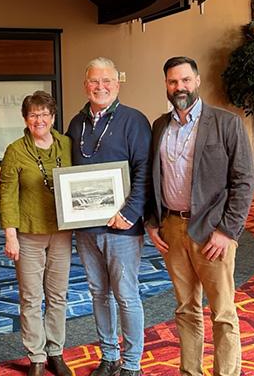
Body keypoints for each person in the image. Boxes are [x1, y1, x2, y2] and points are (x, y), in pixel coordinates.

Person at [145, 56, 254, 376]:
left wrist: (227, 231)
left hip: (212, 231)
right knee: (185, 309)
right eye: (172, 82)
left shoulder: (226, 123)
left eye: (185, 80)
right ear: (166, 85)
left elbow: (244, 181)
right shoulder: (160, 126)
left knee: (222, 312)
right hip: (172, 229)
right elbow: (153, 177)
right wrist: (153, 223)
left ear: (197, 81)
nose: (179, 87)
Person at [66, 57, 151, 376]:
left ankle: (131, 363)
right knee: (98, 293)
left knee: (126, 295)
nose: (100, 87)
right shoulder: (76, 123)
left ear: (117, 84)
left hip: (122, 227)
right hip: (86, 228)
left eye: (107, 82)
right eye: (93, 81)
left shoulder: (134, 120)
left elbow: (144, 170)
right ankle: (109, 356)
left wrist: (130, 213)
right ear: (85, 84)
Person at [0, 91, 73, 376]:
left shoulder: (66, 145)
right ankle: (37, 356)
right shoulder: (15, 150)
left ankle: (56, 350)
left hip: (62, 232)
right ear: (26, 119)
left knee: (57, 295)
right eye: (33, 115)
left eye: (44, 114)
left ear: (53, 117)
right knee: (31, 297)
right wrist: (10, 234)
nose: (39, 119)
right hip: (28, 233)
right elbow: (6, 195)